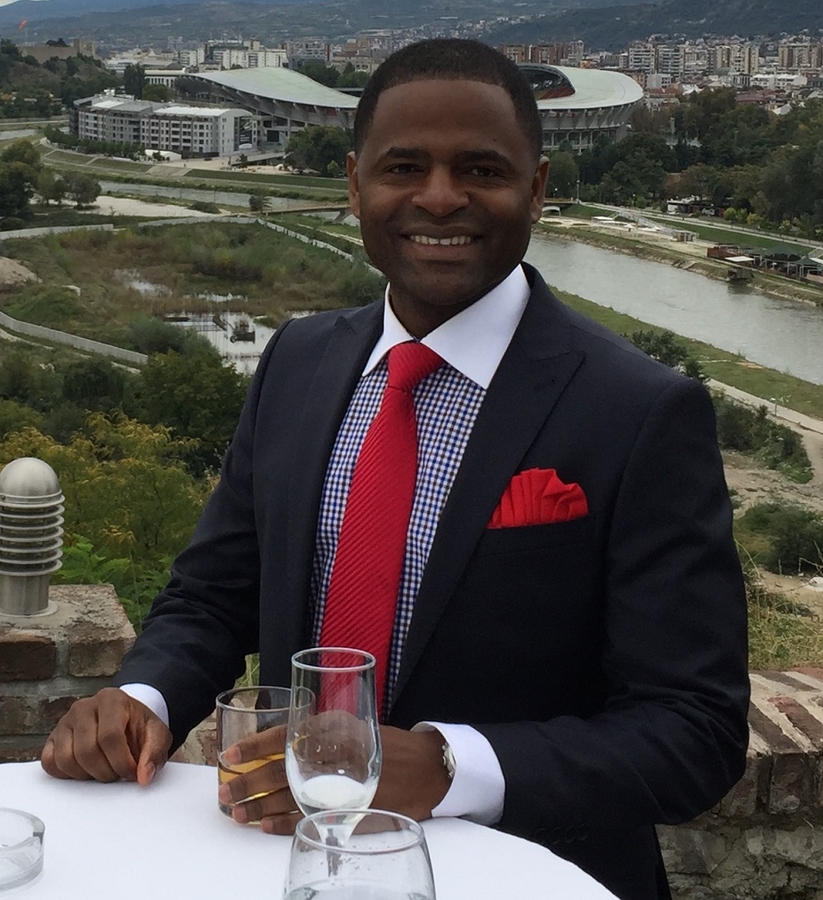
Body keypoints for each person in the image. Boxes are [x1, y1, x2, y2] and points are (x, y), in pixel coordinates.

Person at [41, 39, 749, 900]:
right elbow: (214, 595)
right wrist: (142, 699)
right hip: (291, 863)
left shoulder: (638, 411)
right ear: (354, 185)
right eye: (403, 167)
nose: (439, 197)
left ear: (536, 188)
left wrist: (449, 767)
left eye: (480, 169)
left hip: (522, 876)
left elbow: (693, 730)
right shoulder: (298, 361)